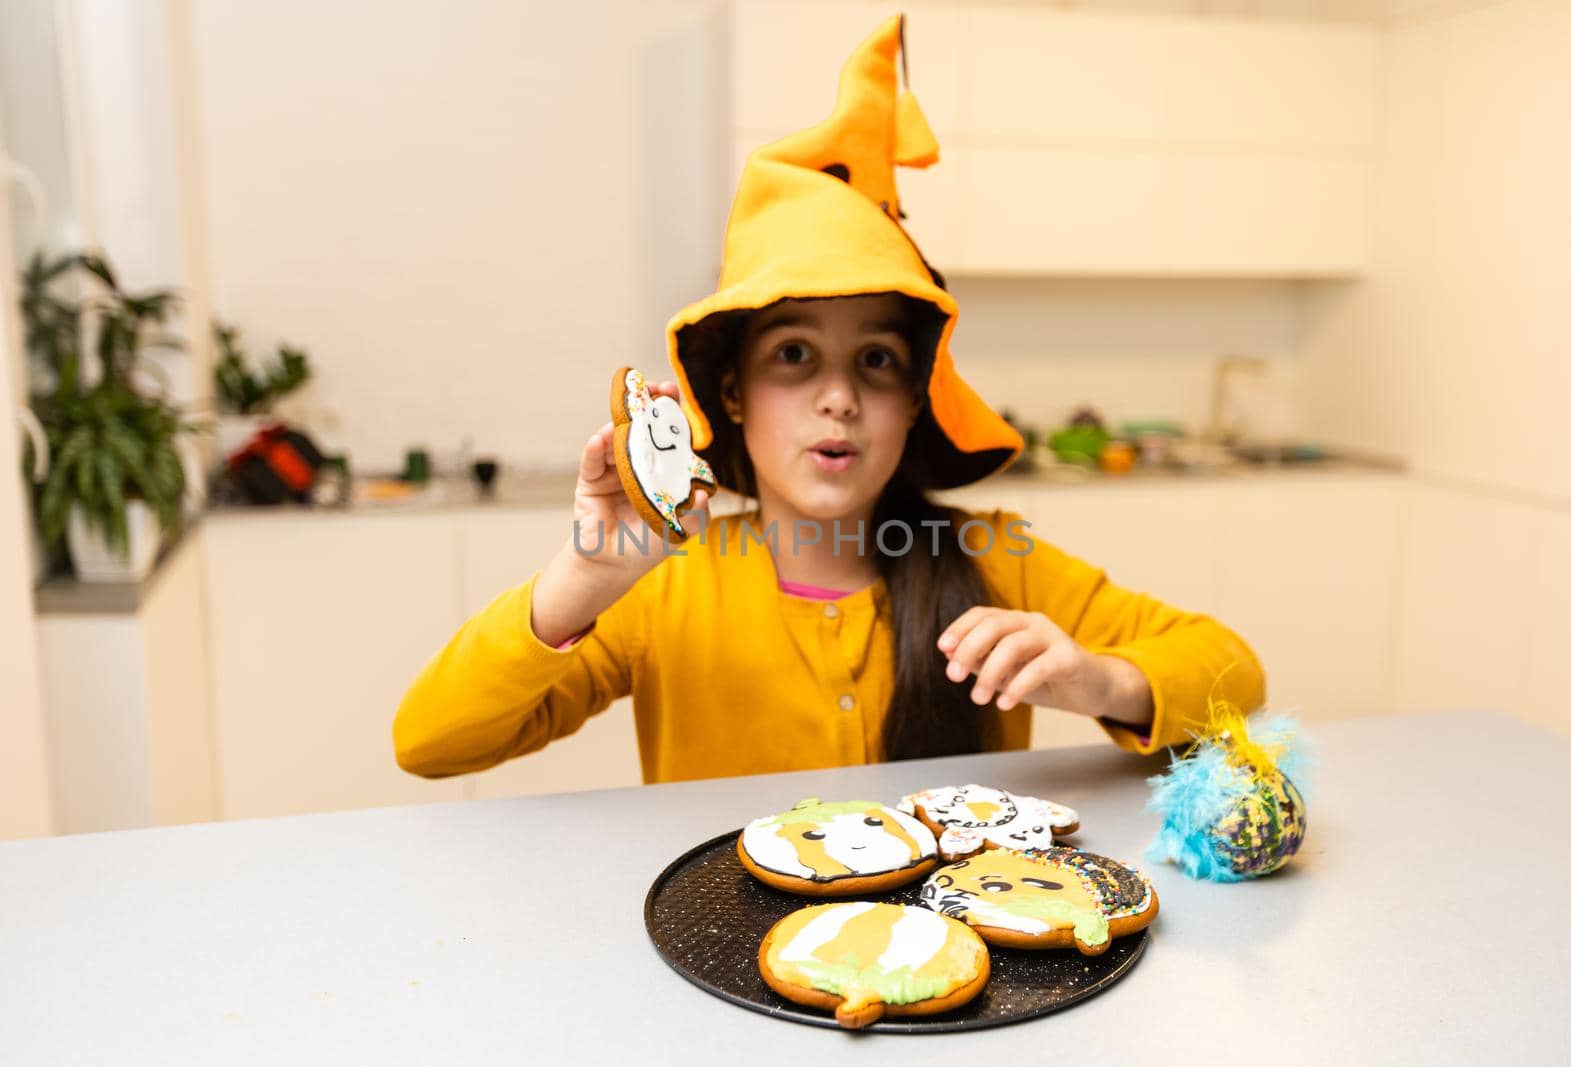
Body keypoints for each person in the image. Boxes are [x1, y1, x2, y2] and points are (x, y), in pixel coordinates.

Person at [392, 16, 1264, 783]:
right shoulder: (665, 590)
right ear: (730, 393)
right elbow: (430, 742)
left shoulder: (1001, 559)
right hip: (730, 962)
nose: (839, 397)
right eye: (796, 355)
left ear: (917, 402)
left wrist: (1100, 679)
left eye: (878, 361)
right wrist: (580, 578)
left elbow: (1235, 673)